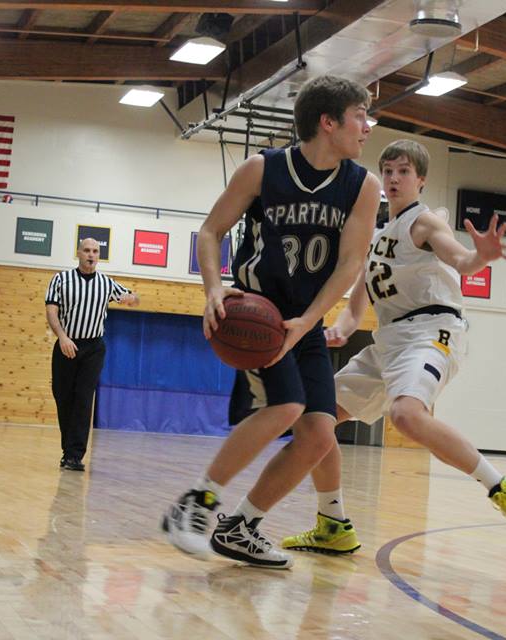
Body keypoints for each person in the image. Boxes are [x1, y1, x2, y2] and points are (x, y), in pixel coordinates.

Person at [280, 139, 506, 555]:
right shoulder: (374, 237)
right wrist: (337, 330)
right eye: (387, 170)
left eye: (403, 171)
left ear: (420, 179)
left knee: (405, 414)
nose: (393, 178)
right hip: (387, 341)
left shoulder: (425, 223)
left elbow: (460, 261)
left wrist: (482, 257)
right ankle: (332, 523)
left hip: (431, 330)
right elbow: (354, 311)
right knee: (317, 419)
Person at [162, 75, 381, 569]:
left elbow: (350, 264)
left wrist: (308, 321)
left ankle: (241, 527)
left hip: (302, 322)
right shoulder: (262, 169)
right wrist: (214, 289)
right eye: (359, 116)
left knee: (321, 435)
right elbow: (211, 230)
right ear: (329, 122)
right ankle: (196, 503)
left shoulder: (362, 186)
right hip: (257, 314)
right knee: (286, 407)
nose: (367, 127)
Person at [45, 238, 138, 471]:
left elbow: (133, 298)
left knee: (84, 399)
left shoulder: (106, 283)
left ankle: (75, 455)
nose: (91, 255)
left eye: (95, 251)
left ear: (99, 256)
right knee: (63, 397)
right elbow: (51, 311)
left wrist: (131, 299)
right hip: (67, 345)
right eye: (87, 250)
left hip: (93, 348)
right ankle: (68, 450)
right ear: (78, 253)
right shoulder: (60, 279)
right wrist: (62, 337)